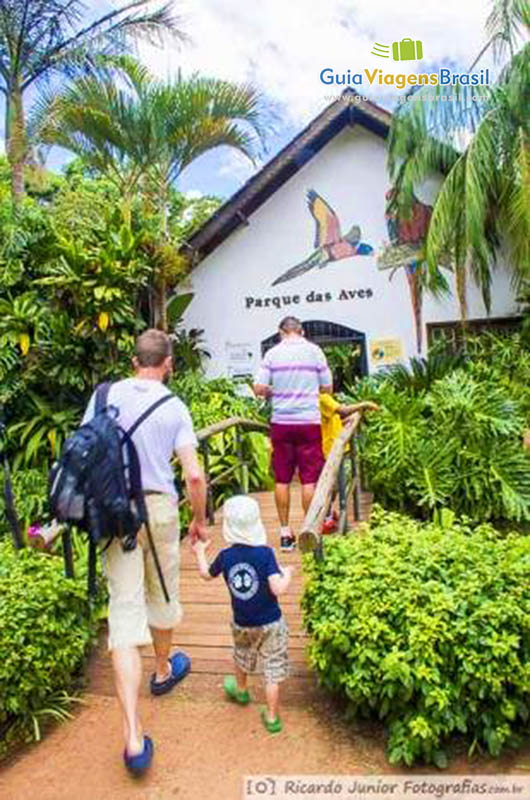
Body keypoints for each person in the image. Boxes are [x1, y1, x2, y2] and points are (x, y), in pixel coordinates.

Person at [82, 329, 208, 774]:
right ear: (168, 363)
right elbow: (193, 476)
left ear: (134, 360)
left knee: (124, 611)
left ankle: (133, 736)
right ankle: (161, 669)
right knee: (163, 593)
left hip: (114, 513)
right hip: (156, 508)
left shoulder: (105, 394)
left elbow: (87, 452)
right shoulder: (174, 406)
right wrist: (199, 521)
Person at [192, 495, 293, 733]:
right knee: (272, 670)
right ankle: (271, 718)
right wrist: (287, 573)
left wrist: (199, 551)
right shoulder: (266, 554)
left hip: (242, 622)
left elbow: (206, 575)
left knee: (242, 655)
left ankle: (241, 690)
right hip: (271, 623)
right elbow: (277, 588)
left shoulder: (226, 556)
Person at [253, 316, 332, 551]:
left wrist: (273, 391)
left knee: (282, 479)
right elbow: (328, 387)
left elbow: (258, 388)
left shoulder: (272, 354)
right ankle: (310, 530)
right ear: (302, 331)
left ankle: (286, 534)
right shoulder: (315, 352)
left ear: (281, 333)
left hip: (281, 423)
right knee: (309, 479)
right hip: (309, 422)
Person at [319, 391, 379, 532]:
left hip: (335, 447)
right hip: (329, 450)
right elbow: (343, 410)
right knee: (331, 485)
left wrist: (347, 420)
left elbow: (331, 421)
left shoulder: (326, 399)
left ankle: (328, 514)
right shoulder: (323, 398)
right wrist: (364, 405)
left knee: (335, 486)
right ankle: (326, 517)